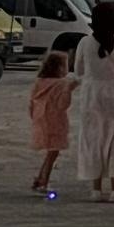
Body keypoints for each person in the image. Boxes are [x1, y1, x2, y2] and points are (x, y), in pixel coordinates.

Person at [74, 3, 114, 202]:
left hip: (92, 93)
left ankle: (96, 188)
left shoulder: (84, 42)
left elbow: (78, 71)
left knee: (94, 139)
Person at [29, 50, 79, 193]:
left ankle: (40, 179)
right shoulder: (61, 84)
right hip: (55, 120)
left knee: (50, 152)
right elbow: (62, 104)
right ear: (59, 68)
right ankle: (43, 181)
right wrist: (69, 89)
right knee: (53, 152)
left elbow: (31, 102)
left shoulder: (40, 82)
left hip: (40, 118)